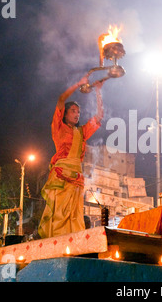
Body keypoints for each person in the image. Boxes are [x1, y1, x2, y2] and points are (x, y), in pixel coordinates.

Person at [38, 74, 104, 238]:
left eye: (79, 112)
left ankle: (73, 241)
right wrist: (79, 83)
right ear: (65, 114)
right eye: (73, 111)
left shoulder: (82, 132)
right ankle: (55, 242)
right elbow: (61, 99)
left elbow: (99, 116)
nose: (77, 114)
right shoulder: (58, 128)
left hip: (77, 176)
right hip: (61, 174)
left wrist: (97, 91)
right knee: (60, 211)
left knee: (74, 213)